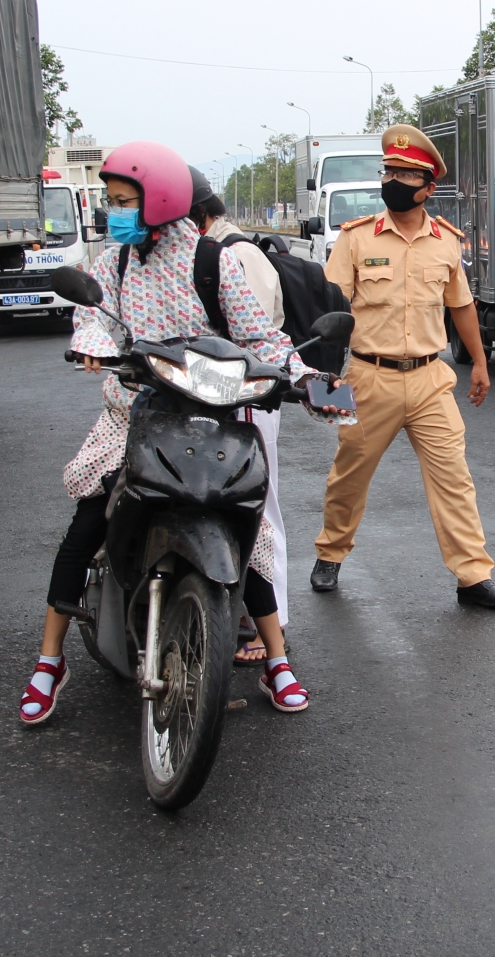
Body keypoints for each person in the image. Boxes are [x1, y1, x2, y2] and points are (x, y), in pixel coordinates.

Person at [20, 142, 317, 722]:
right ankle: (50, 659)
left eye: (123, 202)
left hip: (206, 418)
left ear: (158, 202)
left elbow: (262, 339)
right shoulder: (115, 261)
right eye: (112, 202)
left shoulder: (214, 260)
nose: (114, 213)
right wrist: (94, 348)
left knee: (243, 527)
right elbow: (93, 319)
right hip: (131, 416)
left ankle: (276, 661)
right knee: (89, 519)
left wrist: (307, 378)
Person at [312, 124, 495, 609]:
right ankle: (331, 552)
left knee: (454, 478)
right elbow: (328, 311)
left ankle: (472, 577)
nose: (395, 181)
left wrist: (482, 365)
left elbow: (461, 306)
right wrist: (323, 379)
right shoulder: (356, 239)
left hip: (430, 378)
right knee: (349, 475)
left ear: (429, 188)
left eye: (407, 175)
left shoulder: (446, 241)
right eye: (390, 172)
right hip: (367, 377)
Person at [188, 168, 293, 664]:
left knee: (259, 511)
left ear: (202, 216)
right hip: (208, 398)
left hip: (246, 396)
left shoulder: (231, 256)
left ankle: (276, 627)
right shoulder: (201, 253)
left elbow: (248, 339)